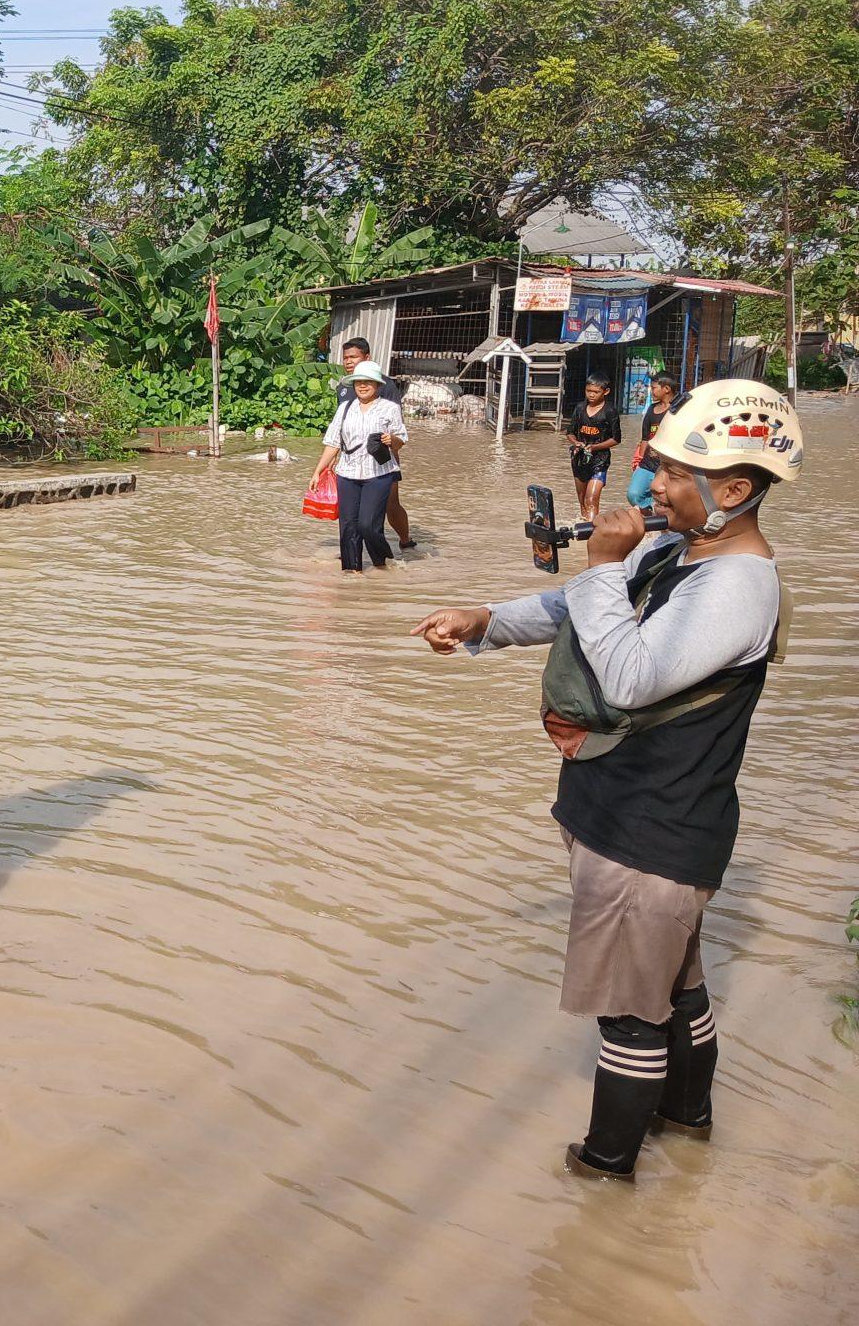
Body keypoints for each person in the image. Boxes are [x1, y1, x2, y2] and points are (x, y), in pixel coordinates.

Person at [410, 379, 801, 1181]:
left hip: (648, 827)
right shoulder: (678, 552)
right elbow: (573, 608)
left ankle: (603, 1176)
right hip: (644, 813)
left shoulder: (738, 586)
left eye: (672, 473)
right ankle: (687, 1126)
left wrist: (600, 563)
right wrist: (488, 620)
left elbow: (629, 676)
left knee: (627, 1015)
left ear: (732, 491)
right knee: (675, 987)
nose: (650, 486)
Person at [311, 361, 408, 574]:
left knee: (368, 525)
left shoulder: (390, 408)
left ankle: (382, 563)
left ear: (377, 385)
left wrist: (391, 440)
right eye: (358, 382)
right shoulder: (344, 409)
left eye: (368, 382)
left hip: (379, 473)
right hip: (347, 473)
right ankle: (352, 572)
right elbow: (333, 442)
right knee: (348, 527)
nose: (362, 386)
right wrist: (318, 471)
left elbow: (401, 440)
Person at [336, 337, 413, 548]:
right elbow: (340, 428)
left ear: (367, 357)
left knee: (391, 504)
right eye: (345, 358)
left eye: (354, 357)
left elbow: (396, 427)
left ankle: (405, 541)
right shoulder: (343, 388)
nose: (348, 361)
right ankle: (354, 552)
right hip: (352, 460)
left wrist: (392, 452)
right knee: (352, 511)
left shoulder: (385, 385)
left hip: (381, 458)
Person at [565, 375, 620, 523]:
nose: (591, 395)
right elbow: (569, 432)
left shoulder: (610, 411)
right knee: (582, 499)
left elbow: (616, 439)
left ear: (606, 392)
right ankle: (585, 526)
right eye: (588, 391)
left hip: (600, 461)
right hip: (579, 459)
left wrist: (595, 447)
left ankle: (591, 530)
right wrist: (576, 442)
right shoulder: (580, 408)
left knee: (591, 499)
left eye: (596, 392)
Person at [625, 373, 677, 511]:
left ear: (666, 389)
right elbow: (645, 438)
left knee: (667, 498)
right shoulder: (651, 409)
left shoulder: (678, 411)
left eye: (654, 388)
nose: (651, 391)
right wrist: (639, 460)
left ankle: (659, 517)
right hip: (648, 463)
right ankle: (650, 512)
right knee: (633, 494)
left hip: (668, 465)